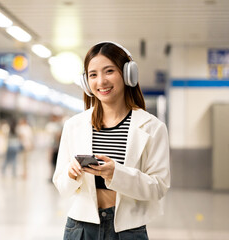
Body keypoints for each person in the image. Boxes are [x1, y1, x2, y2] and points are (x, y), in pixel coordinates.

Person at [52, 41, 170, 239]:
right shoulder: (75, 125)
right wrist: (71, 174)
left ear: (127, 74)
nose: (101, 81)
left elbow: (158, 187)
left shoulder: (152, 127)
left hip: (128, 230)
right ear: (86, 81)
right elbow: (62, 187)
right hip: (80, 227)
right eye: (93, 75)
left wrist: (116, 173)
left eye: (109, 71)